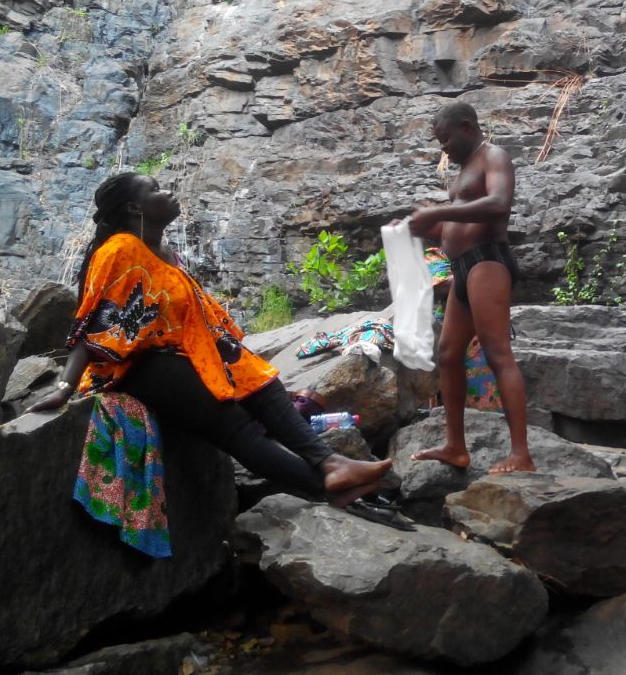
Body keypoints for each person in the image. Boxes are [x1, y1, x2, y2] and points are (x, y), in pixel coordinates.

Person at [29, 172, 393, 509]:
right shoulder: (119, 250)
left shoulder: (167, 252)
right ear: (134, 208)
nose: (168, 191)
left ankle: (330, 463)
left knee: (258, 378)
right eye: (155, 189)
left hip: (187, 353)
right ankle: (325, 486)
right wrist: (65, 386)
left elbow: (193, 316)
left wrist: (227, 349)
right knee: (235, 425)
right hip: (137, 365)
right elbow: (95, 321)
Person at [407, 101, 535, 474]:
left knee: (497, 353)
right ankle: (455, 447)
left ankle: (521, 454)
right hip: (462, 268)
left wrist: (439, 212)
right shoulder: (464, 169)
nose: (442, 148)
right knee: (448, 353)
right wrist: (421, 225)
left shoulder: (494, 155)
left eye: (446, 139)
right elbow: (455, 225)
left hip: (487, 262)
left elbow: (498, 204)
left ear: (467, 127)